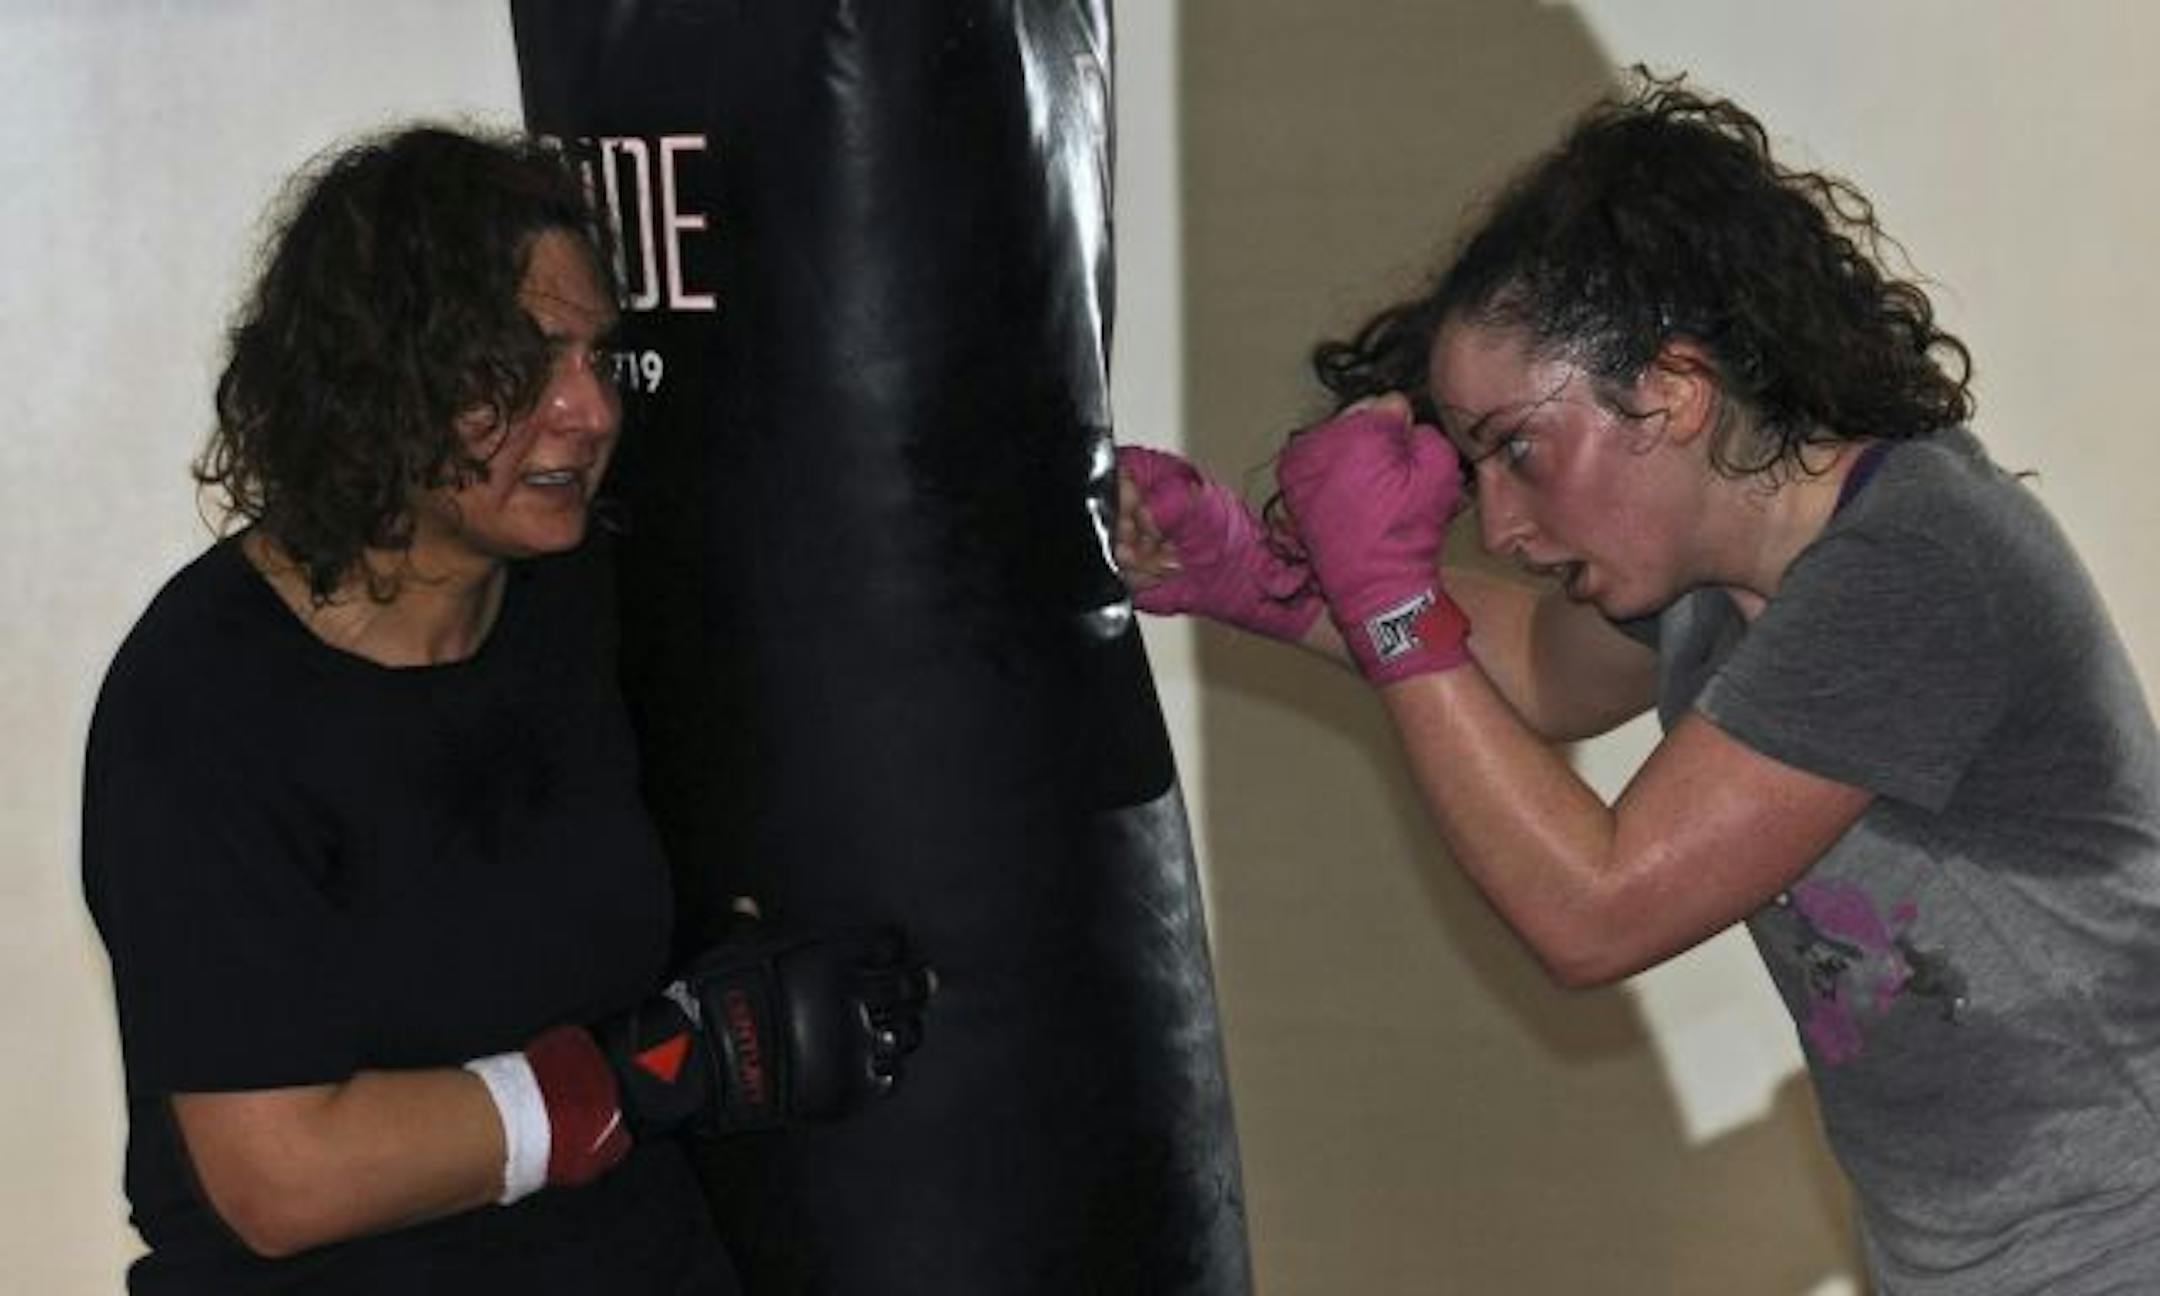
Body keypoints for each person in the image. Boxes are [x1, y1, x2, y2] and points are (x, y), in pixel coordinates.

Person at [1117, 73, 2160, 1293]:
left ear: (1671, 390)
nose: (1498, 523)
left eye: (1518, 448)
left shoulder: (1912, 568)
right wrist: (1269, 581)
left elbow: (1597, 909)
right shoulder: (1723, 581)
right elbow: (1535, 672)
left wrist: (1387, 594)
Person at [82, 124, 930, 1295]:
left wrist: (1084, 543)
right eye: (520, 365)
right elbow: (280, 1179)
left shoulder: (575, 597)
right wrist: (652, 1076)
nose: (589, 410)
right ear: (376, 382)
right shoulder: (205, 702)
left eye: (595, 355)